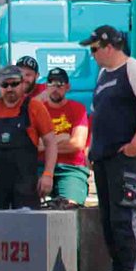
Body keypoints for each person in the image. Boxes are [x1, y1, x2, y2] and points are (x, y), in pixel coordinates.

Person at [81, 25, 136, 271]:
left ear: (109, 46)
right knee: (108, 219)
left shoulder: (134, 69)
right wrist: (91, 149)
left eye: (94, 49)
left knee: (125, 216)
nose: (92, 55)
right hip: (104, 158)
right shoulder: (103, 75)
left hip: (126, 158)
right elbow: (99, 116)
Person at [0, 66, 58, 211]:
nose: (9, 89)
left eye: (14, 84)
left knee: (25, 227)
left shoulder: (34, 107)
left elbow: (51, 142)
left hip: (25, 182)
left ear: (22, 84)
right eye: (5, 85)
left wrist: (48, 174)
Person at [38, 68, 90, 206]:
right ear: (45, 87)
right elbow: (33, 145)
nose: (55, 88)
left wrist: (46, 145)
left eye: (60, 84)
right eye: (51, 84)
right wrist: (62, 137)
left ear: (67, 87)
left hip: (70, 168)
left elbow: (77, 144)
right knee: (28, 206)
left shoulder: (78, 109)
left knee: (70, 206)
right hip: (39, 167)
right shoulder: (37, 111)